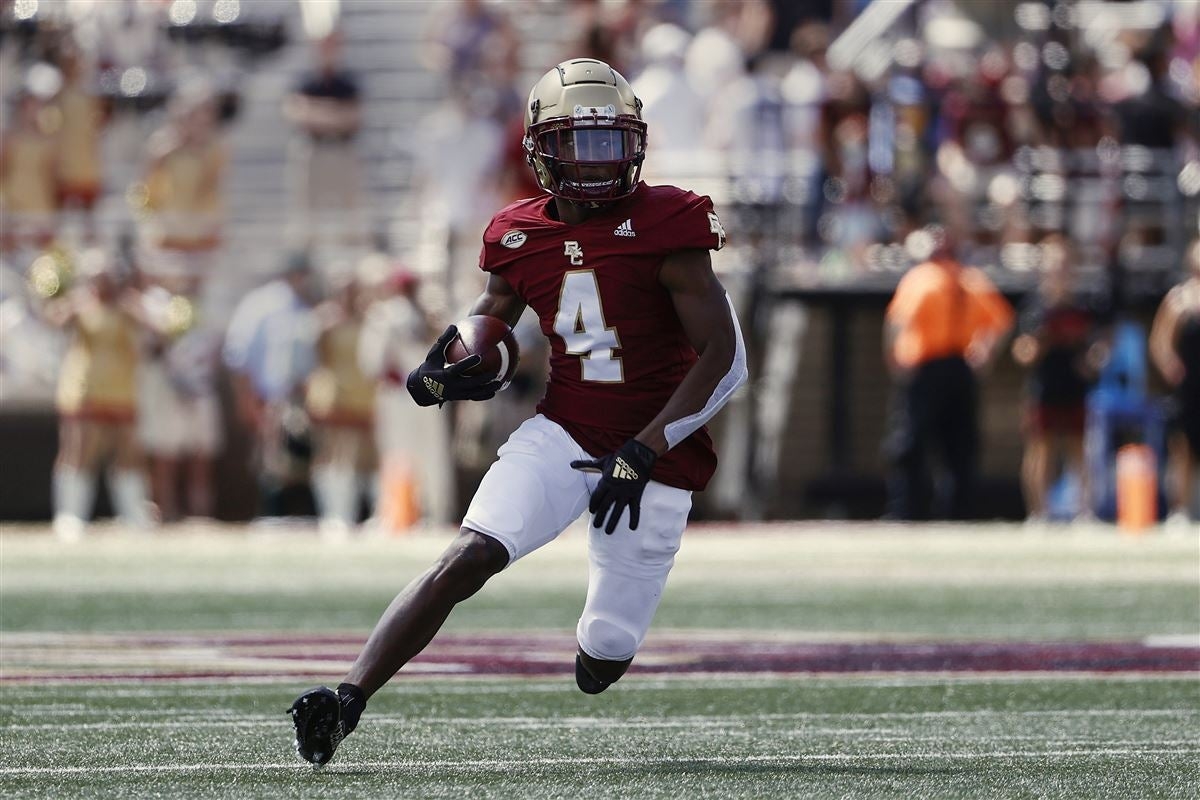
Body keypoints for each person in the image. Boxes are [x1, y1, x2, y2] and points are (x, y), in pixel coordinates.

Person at [288, 58, 748, 767]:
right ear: (540, 149)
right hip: (563, 431)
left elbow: (727, 360)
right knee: (466, 555)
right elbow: (488, 325)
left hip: (657, 451)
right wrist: (448, 369)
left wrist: (648, 447)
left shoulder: (670, 222)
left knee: (605, 652)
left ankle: (600, 645)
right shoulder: (516, 233)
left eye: (611, 142)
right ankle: (348, 699)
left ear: (637, 143)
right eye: (580, 143)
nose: (599, 162)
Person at [883, 226, 1015, 520]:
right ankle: (957, 513)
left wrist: (895, 360)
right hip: (960, 370)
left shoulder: (922, 279)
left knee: (913, 443)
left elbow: (896, 324)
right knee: (959, 447)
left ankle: (908, 511)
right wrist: (985, 353)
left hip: (927, 369)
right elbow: (1002, 321)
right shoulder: (971, 279)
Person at [44, 248, 155, 539]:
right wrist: (70, 300)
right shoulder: (82, 304)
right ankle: (70, 516)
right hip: (85, 390)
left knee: (128, 454)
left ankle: (133, 514)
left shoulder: (129, 305)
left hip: (122, 392)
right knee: (79, 451)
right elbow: (54, 320)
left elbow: (158, 330)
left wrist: (131, 301)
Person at [1010, 236, 1108, 523]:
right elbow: (1021, 352)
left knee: (1080, 449)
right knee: (1042, 448)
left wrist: (1092, 362)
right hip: (1044, 386)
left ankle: (1085, 512)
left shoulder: (1086, 305)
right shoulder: (1034, 306)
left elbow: (1099, 346)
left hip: (1076, 387)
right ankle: (1038, 513)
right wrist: (1039, 344)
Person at [222, 252, 319, 518]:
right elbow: (238, 354)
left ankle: (296, 515)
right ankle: (271, 514)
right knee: (272, 462)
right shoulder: (262, 304)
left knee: (299, 461)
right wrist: (248, 399)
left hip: (302, 398)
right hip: (270, 396)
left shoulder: (307, 306)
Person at [306, 270, 377, 537]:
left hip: (365, 396)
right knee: (334, 456)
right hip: (333, 395)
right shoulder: (324, 321)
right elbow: (316, 359)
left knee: (366, 458)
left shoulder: (369, 319)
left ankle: (366, 514)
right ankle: (334, 515)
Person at [1149, 238, 1200, 524]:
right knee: (1183, 449)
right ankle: (1179, 510)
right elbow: (1160, 341)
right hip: (1188, 386)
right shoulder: (1180, 299)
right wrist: (1170, 366)